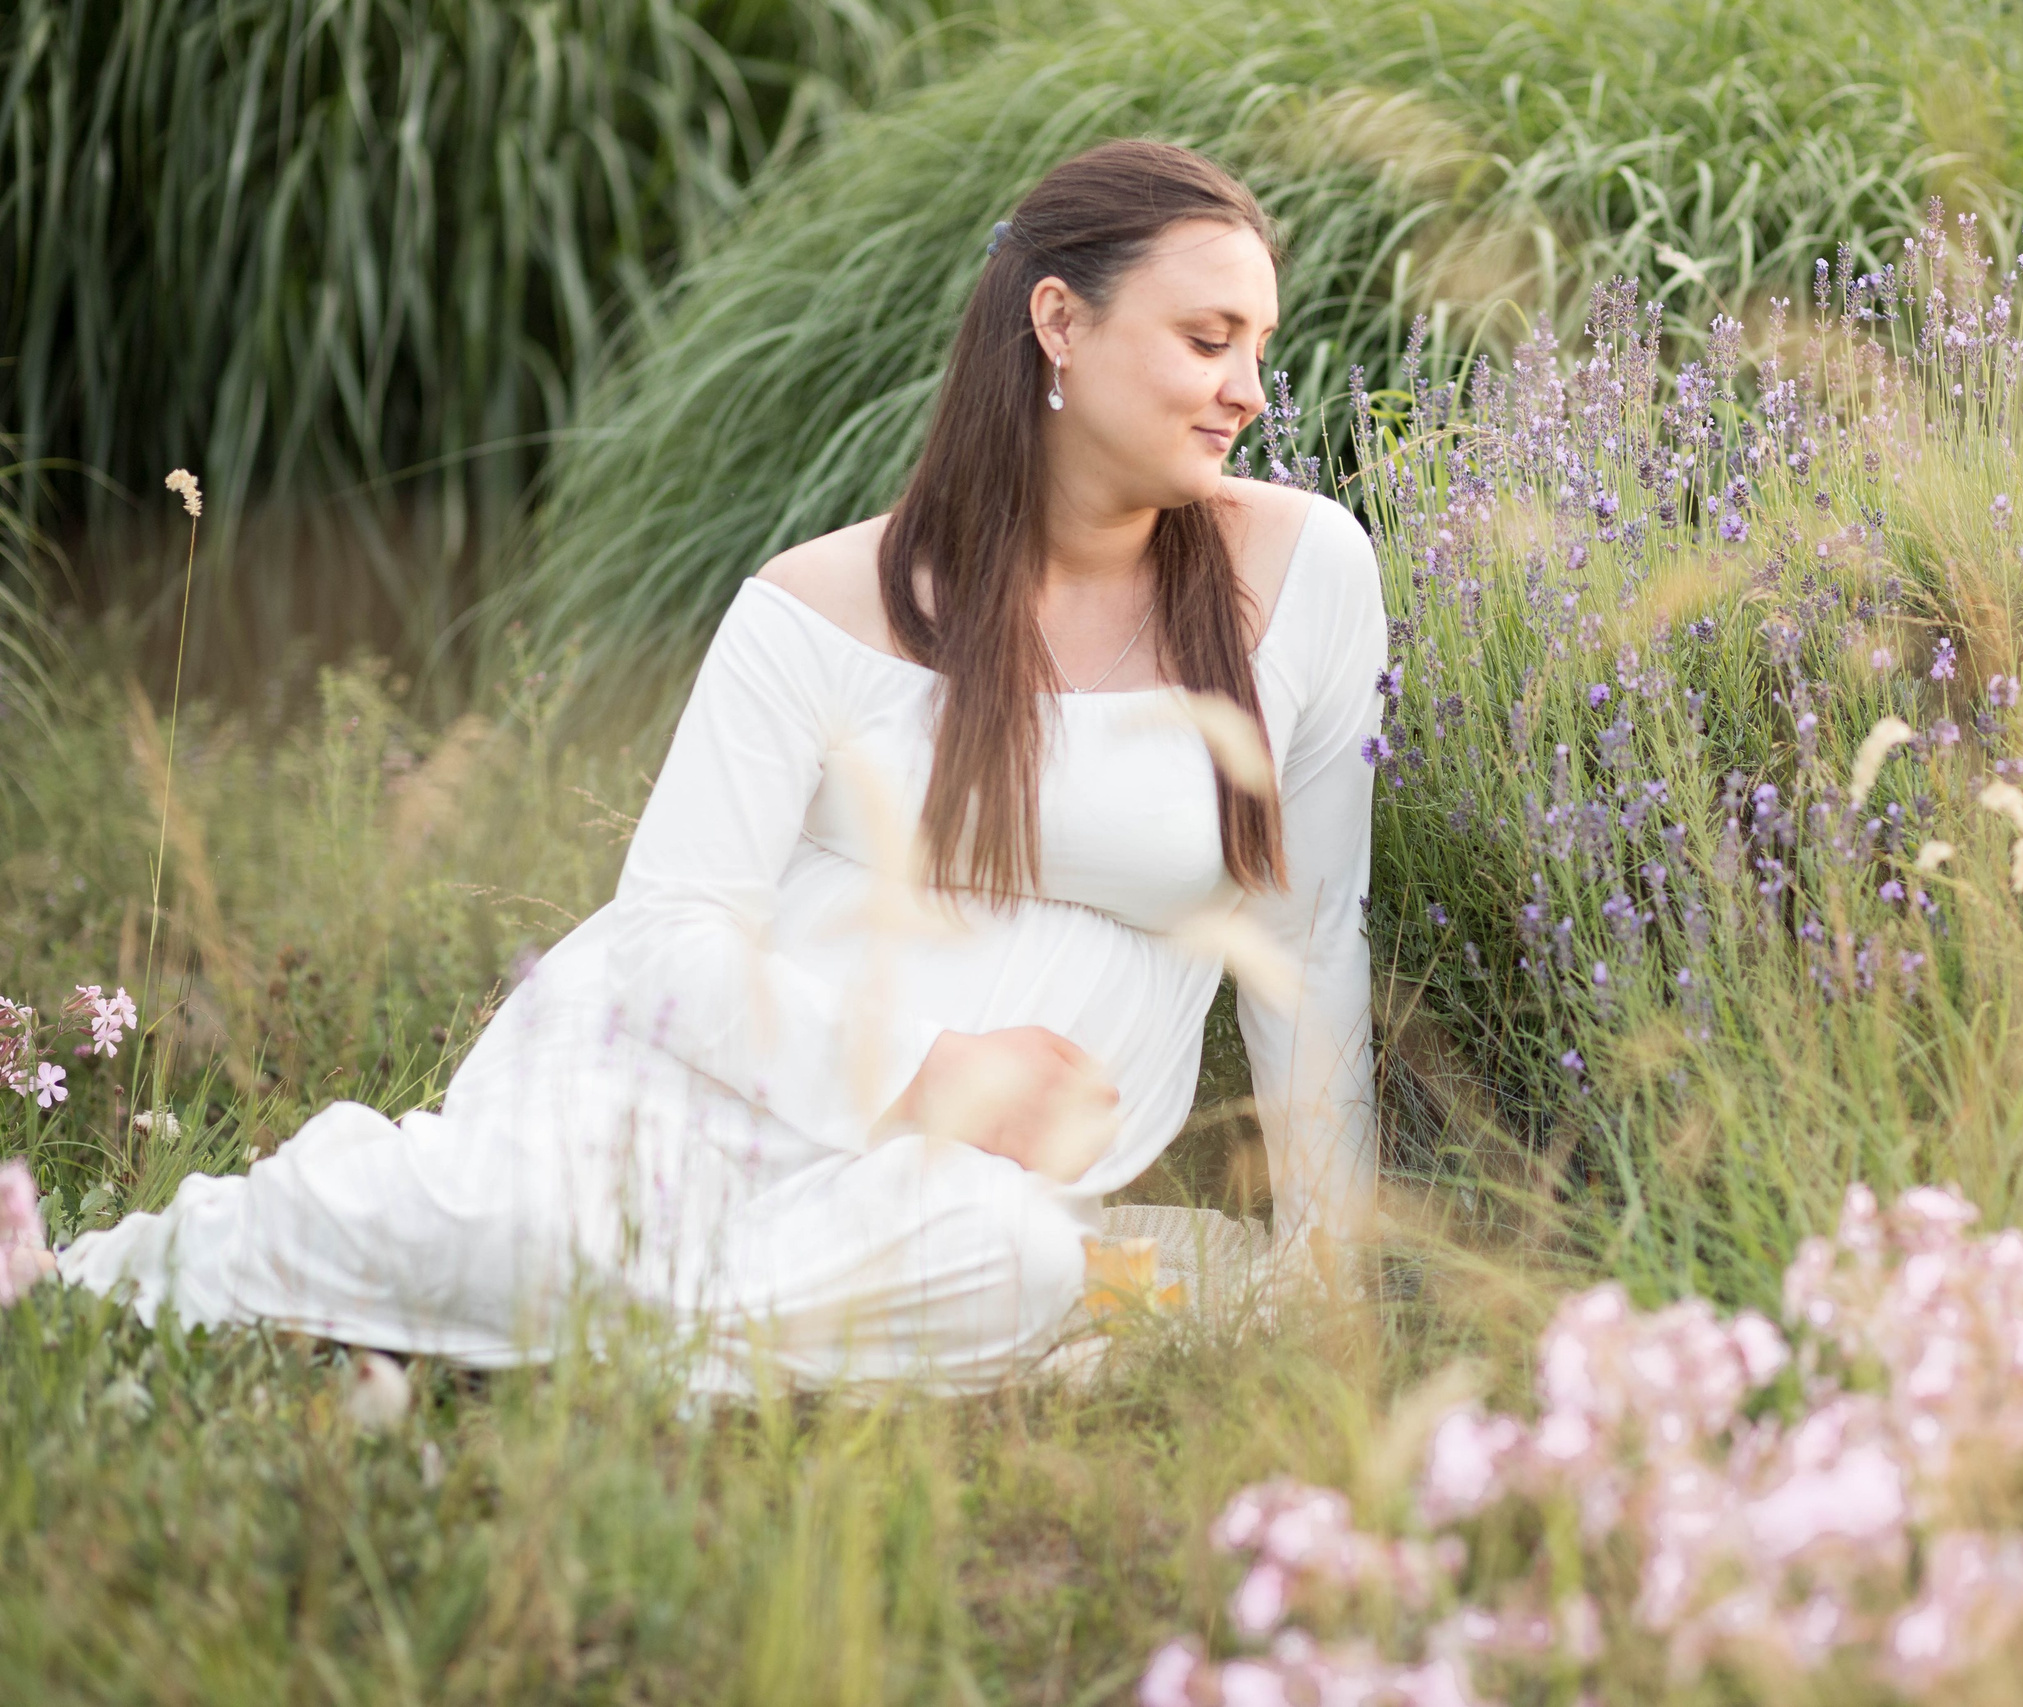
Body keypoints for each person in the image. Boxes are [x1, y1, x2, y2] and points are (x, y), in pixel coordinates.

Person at [53, 139, 1386, 1394]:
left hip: (963, 1188)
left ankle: (455, 1344)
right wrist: (928, 1070)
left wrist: (1335, 1271)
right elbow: (672, 932)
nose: (1250, 392)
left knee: (1015, 1260)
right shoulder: (822, 603)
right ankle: (125, 1279)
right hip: (703, 1082)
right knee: (503, 1221)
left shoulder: (1303, 572)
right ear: (1060, 323)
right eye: (1209, 341)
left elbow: (1312, 934)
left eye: (1259, 347)